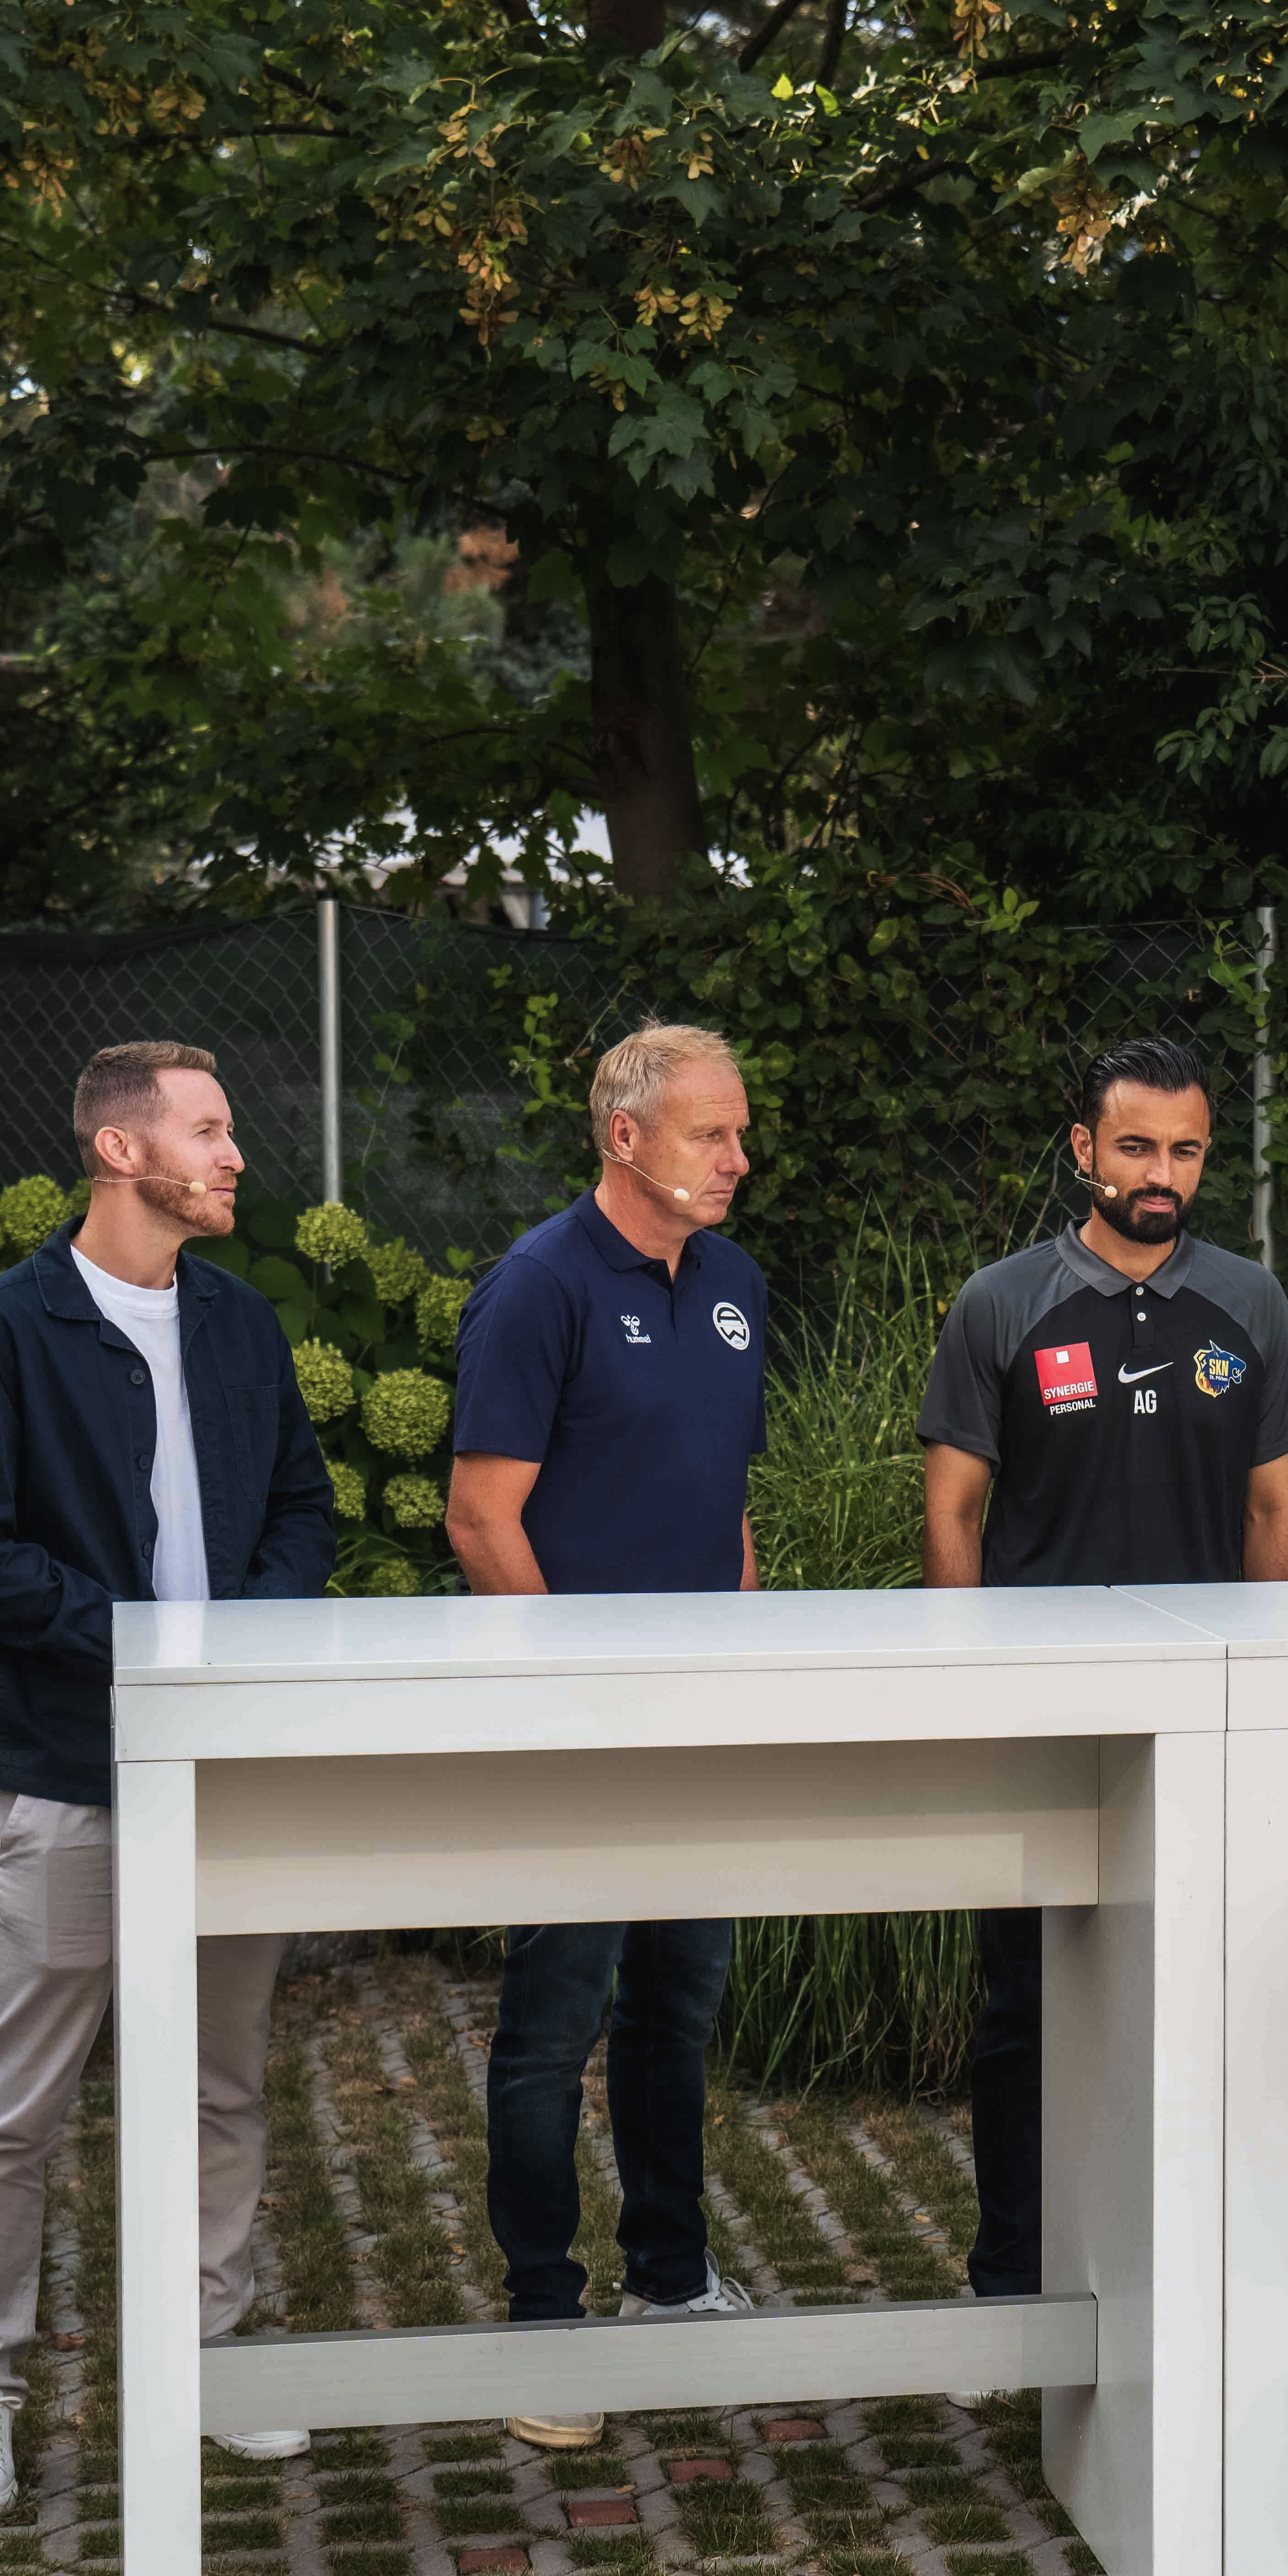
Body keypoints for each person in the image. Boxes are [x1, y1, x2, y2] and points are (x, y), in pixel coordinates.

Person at [0, 1041, 344, 2518]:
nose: (235, 1159)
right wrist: (140, 1650)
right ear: (121, 1152)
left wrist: (245, 1645)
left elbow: (301, 1506)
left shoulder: (238, 1326)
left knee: (220, 2084)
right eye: (210, 1132)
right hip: (69, 1770)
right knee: (16, 2099)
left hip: (225, 1765)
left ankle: (204, 2354)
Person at [920, 1035, 1288, 2306]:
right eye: (1135, 1145)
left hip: (1208, 1727)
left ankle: (1190, 2278)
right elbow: (954, 1516)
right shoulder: (1003, 1304)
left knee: (1205, 2006)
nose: (1160, 1172)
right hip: (1046, 1721)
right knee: (1026, 2013)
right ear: (1082, 1149)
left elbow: (1272, 1514)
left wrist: (1271, 1688)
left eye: (1185, 1149)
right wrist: (974, 1692)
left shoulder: (1250, 1306)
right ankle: (1013, 2279)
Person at [446, 1021, 770, 2448]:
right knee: (551, 2026)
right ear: (626, 1139)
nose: (740, 1159)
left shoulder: (736, 1284)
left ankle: (671, 2280)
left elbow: (725, 1500)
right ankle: (540, 2325)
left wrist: (742, 1658)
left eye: (741, 1134)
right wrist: (572, 1711)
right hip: (577, 1733)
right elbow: (481, 1517)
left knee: (676, 2013)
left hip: (699, 1726)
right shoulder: (539, 1287)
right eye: (714, 1135)